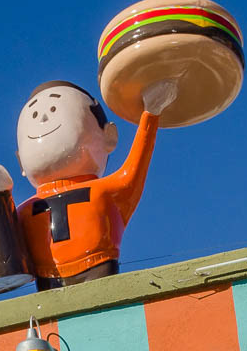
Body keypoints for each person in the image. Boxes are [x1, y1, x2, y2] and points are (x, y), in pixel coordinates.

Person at [16, 80, 176, 288]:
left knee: (102, 300)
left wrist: (150, 115)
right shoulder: (21, 213)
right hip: (47, 276)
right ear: (20, 161)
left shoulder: (107, 190)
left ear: (109, 136)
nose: (43, 117)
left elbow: (136, 166)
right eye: (35, 114)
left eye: (53, 109)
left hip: (98, 265)